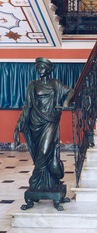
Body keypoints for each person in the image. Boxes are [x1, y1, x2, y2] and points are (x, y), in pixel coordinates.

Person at [14, 58, 74, 192]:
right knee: (40, 151)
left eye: (42, 68)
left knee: (45, 150)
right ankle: (46, 183)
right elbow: (27, 106)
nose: (39, 70)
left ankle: (35, 179)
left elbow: (71, 91)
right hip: (35, 123)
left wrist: (65, 102)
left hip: (50, 122)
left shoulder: (55, 83)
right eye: (38, 68)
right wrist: (19, 125)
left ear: (48, 70)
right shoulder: (33, 85)